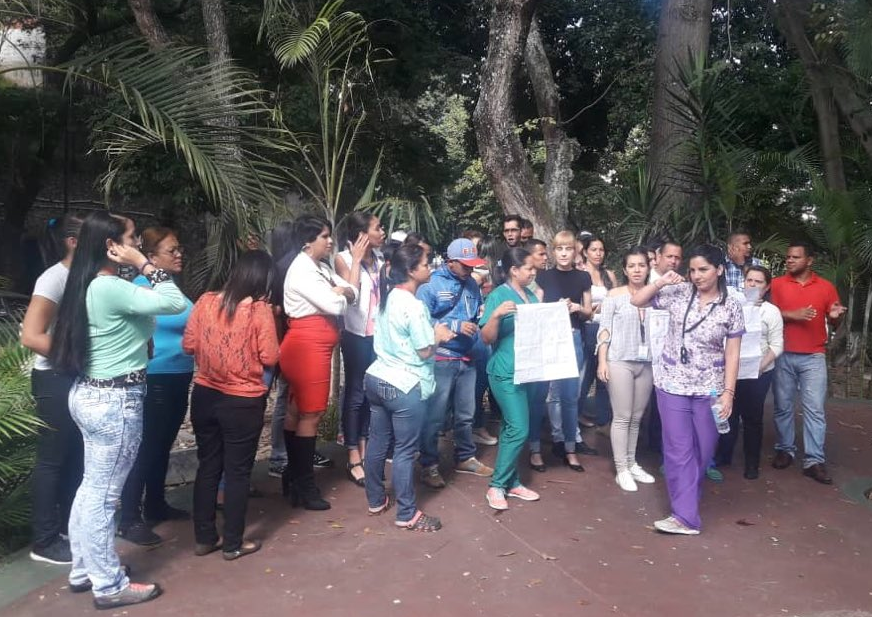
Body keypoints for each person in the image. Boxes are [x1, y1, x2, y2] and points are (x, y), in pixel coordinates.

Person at [50, 211, 186, 609]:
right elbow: (174, 302)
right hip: (114, 401)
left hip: (91, 394)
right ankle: (108, 584)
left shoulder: (88, 284)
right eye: (132, 240)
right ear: (112, 246)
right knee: (104, 495)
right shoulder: (107, 286)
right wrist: (145, 265)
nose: (138, 248)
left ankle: (82, 568)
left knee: (91, 488)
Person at [631, 245, 744, 535]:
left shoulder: (731, 306)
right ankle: (685, 517)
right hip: (672, 382)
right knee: (678, 450)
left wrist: (728, 392)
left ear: (719, 270)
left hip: (710, 387)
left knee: (703, 451)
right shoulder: (679, 293)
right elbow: (637, 300)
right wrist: (661, 280)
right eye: (692, 270)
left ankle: (686, 505)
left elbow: (733, 353)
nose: (696, 275)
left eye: (703, 269)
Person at [183, 250, 279, 560]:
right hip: (242, 401)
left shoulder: (205, 301)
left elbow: (188, 345)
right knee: (237, 473)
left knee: (208, 466)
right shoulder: (258, 310)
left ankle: (204, 538)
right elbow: (271, 357)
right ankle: (233, 543)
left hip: (205, 395)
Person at [364, 244, 455, 531]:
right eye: (427, 264)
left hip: (377, 378)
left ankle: (376, 499)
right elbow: (425, 350)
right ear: (413, 271)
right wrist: (438, 335)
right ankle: (407, 513)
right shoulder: (414, 306)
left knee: (377, 441)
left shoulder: (388, 297)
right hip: (404, 385)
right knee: (404, 451)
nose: (430, 268)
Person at [118, 227, 194, 546]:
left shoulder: (169, 286)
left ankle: (155, 504)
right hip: (156, 376)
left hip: (178, 373)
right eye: (171, 251)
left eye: (179, 249)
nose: (179, 255)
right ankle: (130, 518)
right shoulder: (141, 287)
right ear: (151, 258)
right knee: (146, 447)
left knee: (163, 445)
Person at [280, 215, 357, 510]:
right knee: (310, 414)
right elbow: (336, 304)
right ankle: (305, 483)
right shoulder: (302, 270)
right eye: (324, 236)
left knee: (298, 411)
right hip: (306, 347)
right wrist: (341, 294)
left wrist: (343, 291)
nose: (329, 241)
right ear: (307, 241)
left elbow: (352, 292)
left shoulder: (320, 267)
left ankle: (294, 476)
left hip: (315, 345)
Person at [21, 214, 84, 565]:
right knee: (52, 460)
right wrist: (76, 357)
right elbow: (30, 336)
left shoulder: (81, 276)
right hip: (54, 378)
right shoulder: (54, 279)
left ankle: (66, 528)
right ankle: (44, 541)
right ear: (73, 242)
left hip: (72, 376)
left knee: (74, 456)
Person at [417, 238, 493, 489]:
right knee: (435, 416)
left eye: (473, 265)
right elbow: (419, 322)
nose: (470, 270)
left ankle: (465, 456)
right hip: (441, 358)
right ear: (450, 262)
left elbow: (477, 313)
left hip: (468, 357)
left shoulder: (471, 284)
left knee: (465, 413)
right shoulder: (430, 285)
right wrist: (454, 326)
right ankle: (429, 465)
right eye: (465, 265)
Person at [770, 242, 845, 484]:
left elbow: (835, 321)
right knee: (783, 406)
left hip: (814, 356)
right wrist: (791, 314)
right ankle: (785, 449)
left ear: (809, 260)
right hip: (782, 354)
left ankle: (814, 460)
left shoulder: (826, 287)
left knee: (814, 409)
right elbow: (763, 312)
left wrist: (834, 319)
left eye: (795, 257)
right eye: (788, 257)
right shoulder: (777, 284)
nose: (789, 260)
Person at [480, 247, 542, 511]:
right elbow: (486, 337)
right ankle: (496, 485)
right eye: (529, 268)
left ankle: (512, 481)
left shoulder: (530, 295)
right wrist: (495, 315)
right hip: (504, 370)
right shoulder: (498, 296)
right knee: (519, 428)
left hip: (527, 369)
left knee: (510, 426)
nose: (533, 272)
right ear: (514, 270)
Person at [596, 247, 656, 492]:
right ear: (624, 269)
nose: (637, 270)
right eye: (632, 266)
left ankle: (632, 463)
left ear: (648, 267)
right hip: (619, 360)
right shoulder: (614, 295)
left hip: (647, 362)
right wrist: (602, 361)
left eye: (641, 265)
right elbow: (604, 329)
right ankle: (621, 468)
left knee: (637, 416)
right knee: (621, 416)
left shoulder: (656, 295)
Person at [715, 265, 783, 479]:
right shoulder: (733, 305)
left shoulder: (770, 311)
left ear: (767, 286)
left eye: (758, 282)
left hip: (759, 374)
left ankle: (751, 463)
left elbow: (777, 345)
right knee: (728, 414)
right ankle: (723, 456)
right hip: (731, 372)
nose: (753, 285)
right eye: (749, 280)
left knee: (753, 418)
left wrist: (759, 366)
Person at [533, 231, 593, 473]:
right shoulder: (544, 277)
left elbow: (589, 311)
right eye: (560, 249)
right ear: (553, 252)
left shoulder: (583, 277)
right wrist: (553, 309)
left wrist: (577, 307)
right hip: (549, 338)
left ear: (575, 251)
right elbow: (535, 309)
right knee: (549, 393)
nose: (564, 253)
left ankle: (570, 446)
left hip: (573, 335)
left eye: (568, 249)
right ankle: (552, 441)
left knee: (571, 393)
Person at [335, 212, 386, 487]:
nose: (383, 232)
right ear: (362, 234)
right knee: (355, 394)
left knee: (369, 393)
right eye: (378, 228)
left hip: (377, 336)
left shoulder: (379, 259)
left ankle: (365, 448)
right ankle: (352, 453)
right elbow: (351, 296)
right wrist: (356, 260)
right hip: (355, 335)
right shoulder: (343, 259)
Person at [578, 236, 617, 428]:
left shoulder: (609, 275)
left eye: (601, 250)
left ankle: (604, 420)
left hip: (608, 329)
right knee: (584, 374)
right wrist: (591, 309)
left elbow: (618, 300)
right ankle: (575, 416)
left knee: (604, 376)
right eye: (594, 250)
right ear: (585, 252)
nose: (598, 254)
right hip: (588, 327)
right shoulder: (579, 273)